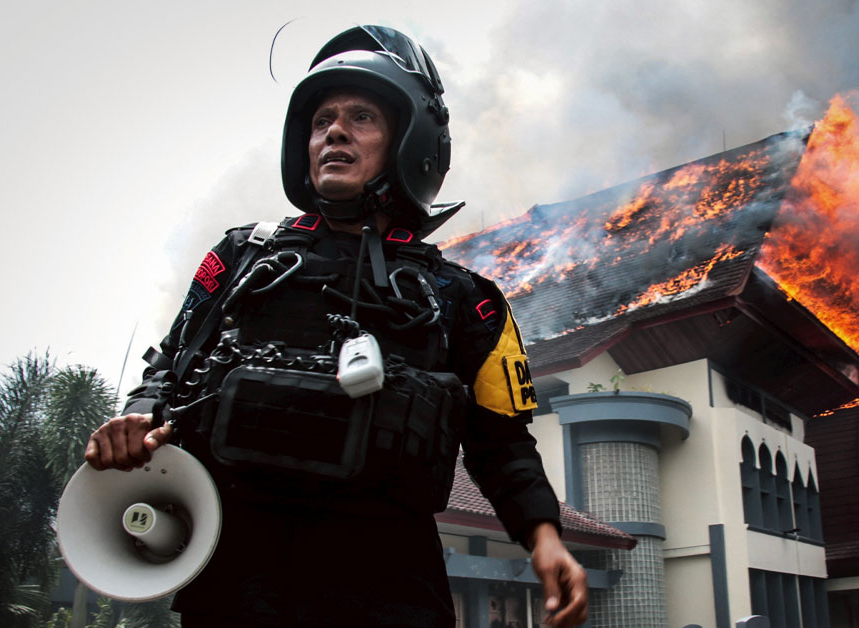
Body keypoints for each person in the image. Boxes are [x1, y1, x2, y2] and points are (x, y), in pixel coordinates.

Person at [84, 25, 587, 628]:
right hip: (236, 592)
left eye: (361, 118)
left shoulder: (468, 301)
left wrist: (543, 537)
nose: (335, 133)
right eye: (322, 120)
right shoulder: (241, 257)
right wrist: (138, 417)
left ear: (410, 143)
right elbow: (169, 370)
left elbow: (502, 444)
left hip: (391, 597)